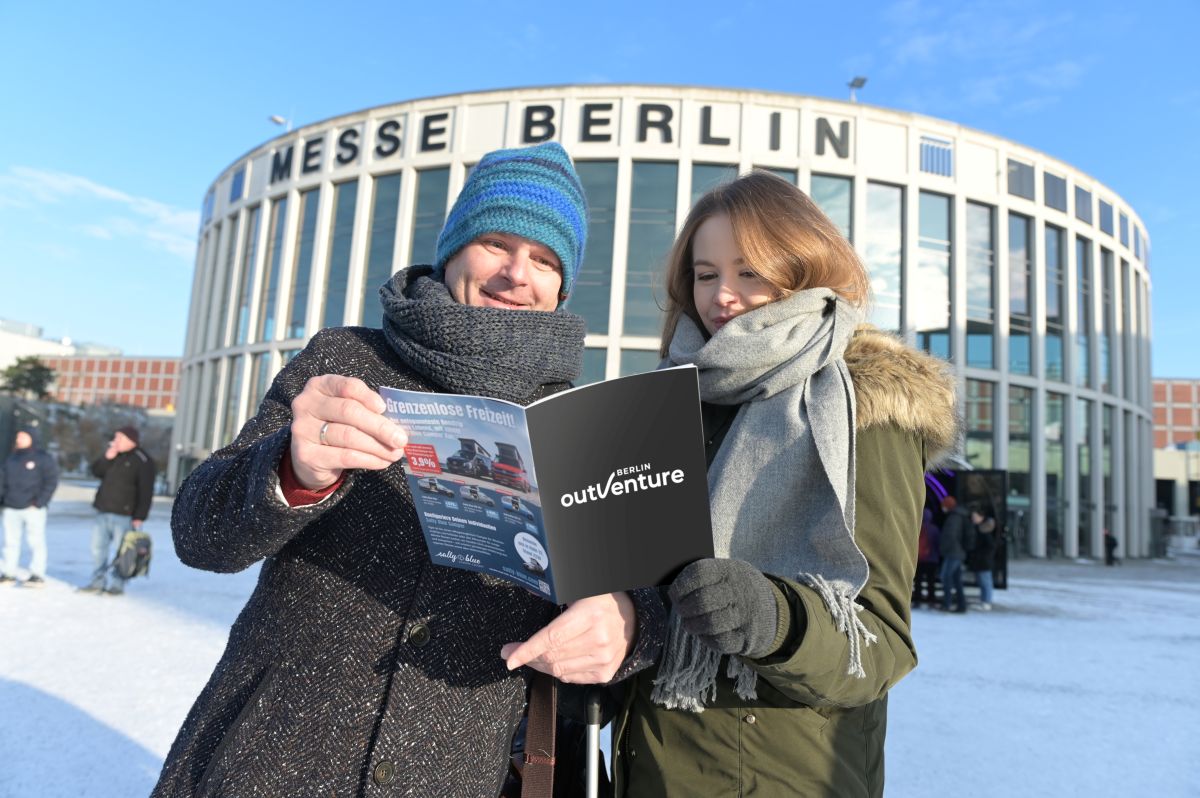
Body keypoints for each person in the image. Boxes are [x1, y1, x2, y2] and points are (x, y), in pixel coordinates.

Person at [151, 142, 664, 798]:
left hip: (461, 773)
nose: (516, 273)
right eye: (495, 244)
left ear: (562, 286)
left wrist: (630, 621)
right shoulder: (344, 361)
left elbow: (636, 598)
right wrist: (291, 468)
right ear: (453, 249)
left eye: (543, 259)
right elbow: (200, 536)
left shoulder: (579, 423)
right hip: (272, 757)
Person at [599, 171, 957, 797]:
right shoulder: (664, 404)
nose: (723, 297)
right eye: (706, 275)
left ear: (805, 269)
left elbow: (882, 645)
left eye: (750, 272)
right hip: (648, 766)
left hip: (785, 773)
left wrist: (774, 617)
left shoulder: (865, 408)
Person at [81, 425, 156, 595]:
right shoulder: (113, 455)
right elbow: (95, 472)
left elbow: (146, 491)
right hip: (103, 511)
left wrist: (140, 516)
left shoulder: (142, 460)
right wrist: (107, 458)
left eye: (119, 438)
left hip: (125, 515)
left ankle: (117, 584)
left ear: (131, 441)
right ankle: (97, 581)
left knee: (123, 552)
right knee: (98, 549)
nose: (115, 442)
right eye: (115, 438)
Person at [0, 428, 59, 588]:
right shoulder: (11, 458)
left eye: (23, 436)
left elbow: (51, 481)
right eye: (18, 436)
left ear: (32, 438)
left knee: (35, 542)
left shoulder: (43, 458)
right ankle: (8, 573)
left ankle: (37, 574)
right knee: (10, 542)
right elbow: (3, 481)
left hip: (33, 509)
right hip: (11, 507)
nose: (19, 439)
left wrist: (39, 502)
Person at [938, 495, 970, 613]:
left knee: (945, 577)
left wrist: (943, 549)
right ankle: (962, 606)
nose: (942, 508)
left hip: (953, 553)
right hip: (957, 552)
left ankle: (947, 604)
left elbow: (950, 536)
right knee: (956, 580)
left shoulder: (954, 518)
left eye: (944, 506)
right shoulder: (958, 516)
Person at [967, 505, 998, 610]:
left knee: (985, 582)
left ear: (981, 517)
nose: (973, 519)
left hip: (984, 561)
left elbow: (991, 546)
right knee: (983, 581)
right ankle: (984, 601)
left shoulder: (984, 531)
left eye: (975, 516)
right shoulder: (979, 529)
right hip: (981, 560)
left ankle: (987, 602)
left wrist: (981, 555)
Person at [913, 507, 941, 608]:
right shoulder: (935, 529)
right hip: (932, 560)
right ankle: (931, 600)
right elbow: (938, 544)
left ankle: (917, 600)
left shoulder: (916, 528)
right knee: (931, 581)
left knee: (918, 581)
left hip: (919, 559)